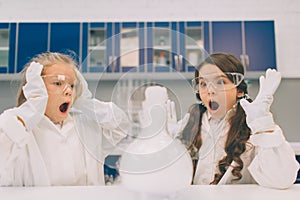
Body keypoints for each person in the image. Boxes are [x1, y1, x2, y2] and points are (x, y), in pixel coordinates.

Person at [0, 52, 130, 186]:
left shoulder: (85, 125)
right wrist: (32, 107)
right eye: (58, 83)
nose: (69, 91)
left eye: (72, 85)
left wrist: (85, 102)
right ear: (36, 88)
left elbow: (119, 125)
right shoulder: (19, 125)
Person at [181, 52, 299, 189]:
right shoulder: (192, 124)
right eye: (203, 83)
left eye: (220, 82)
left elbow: (281, 180)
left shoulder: (254, 126)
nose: (210, 90)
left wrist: (262, 125)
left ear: (239, 91)